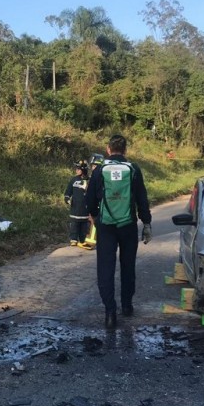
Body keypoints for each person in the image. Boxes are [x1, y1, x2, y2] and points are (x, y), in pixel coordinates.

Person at [85, 134, 152, 328]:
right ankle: (127, 306)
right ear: (125, 150)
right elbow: (142, 199)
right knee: (127, 265)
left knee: (105, 268)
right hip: (128, 225)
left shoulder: (100, 170)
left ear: (108, 149)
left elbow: (90, 199)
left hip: (106, 226)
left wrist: (95, 216)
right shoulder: (133, 169)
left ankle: (110, 312)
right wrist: (146, 223)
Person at [63, 160, 89, 246]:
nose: (76, 170)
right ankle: (73, 239)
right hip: (75, 207)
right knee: (74, 223)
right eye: (76, 169)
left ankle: (82, 239)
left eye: (78, 169)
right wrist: (67, 198)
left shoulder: (89, 181)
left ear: (83, 170)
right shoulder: (73, 180)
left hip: (85, 208)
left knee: (84, 225)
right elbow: (68, 192)